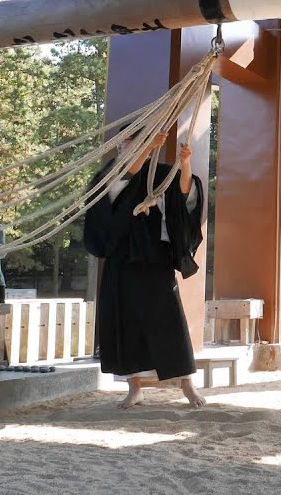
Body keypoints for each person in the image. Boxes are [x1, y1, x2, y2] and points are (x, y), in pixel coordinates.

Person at [84, 131, 206, 409]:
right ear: (120, 144)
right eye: (131, 141)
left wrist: (185, 164)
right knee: (125, 322)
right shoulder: (109, 174)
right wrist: (147, 146)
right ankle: (134, 388)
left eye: (142, 142)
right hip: (123, 259)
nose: (137, 146)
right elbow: (122, 182)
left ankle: (187, 383)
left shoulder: (163, 173)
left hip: (156, 257)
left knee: (170, 320)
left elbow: (184, 199)